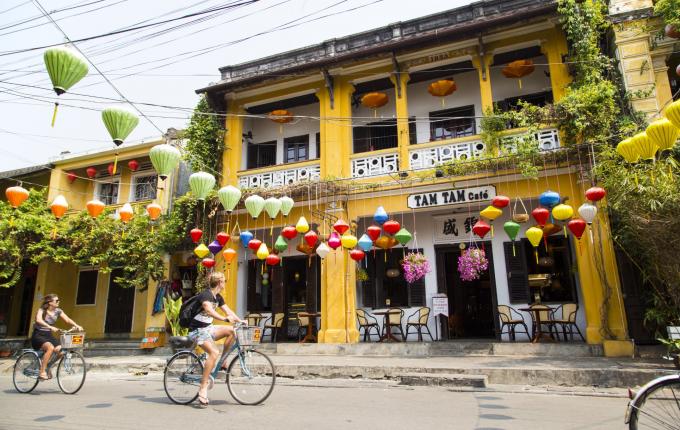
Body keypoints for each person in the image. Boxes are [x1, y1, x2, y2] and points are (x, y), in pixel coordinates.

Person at [188, 272, 243, 406]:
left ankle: (223, 361)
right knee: (214, 352)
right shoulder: (205, 295)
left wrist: (240, 320)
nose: (225, 283)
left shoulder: (217, 297)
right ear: (219, 282)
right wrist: (224, 319)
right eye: (224, 281)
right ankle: (203, 388)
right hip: (197, 331)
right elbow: (209, 310)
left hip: (208, 328)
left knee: (232, 331)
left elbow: (228, 311)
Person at [32, 294, 83, 380]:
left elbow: (67, 319)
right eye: (56, 301)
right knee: (50, 348)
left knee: (62, 351)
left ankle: (49, 365)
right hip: (38, 335)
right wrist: (50, 326)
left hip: (48, 336)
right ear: (50, 302)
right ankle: (42, 371)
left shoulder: (58, 311)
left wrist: (76, 325)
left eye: (58, 300)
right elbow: (38, 320)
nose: (58, 302)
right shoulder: (42, 310)